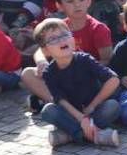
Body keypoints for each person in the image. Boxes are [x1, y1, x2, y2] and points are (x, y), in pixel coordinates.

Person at [31, 17, 120, 147]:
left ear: (72, 40)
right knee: (48, 110)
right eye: (53, 39)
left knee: (113, 106)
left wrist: (92, 106)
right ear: (45, 50)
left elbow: (113, 79)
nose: (61, 40)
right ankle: (94, 135)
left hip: (94, 109)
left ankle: (68, 135)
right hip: (72, 113)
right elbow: (60, 100)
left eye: (64, 35)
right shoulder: (49, 72)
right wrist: (81, 118)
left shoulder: (84, 59)